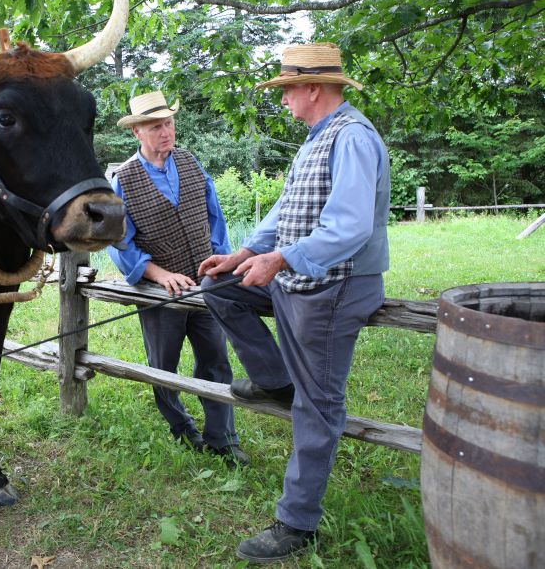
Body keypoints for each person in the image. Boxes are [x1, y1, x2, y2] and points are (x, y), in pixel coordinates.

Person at [199, 43, 390, 563]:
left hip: (335, 286)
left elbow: (349, 227)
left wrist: (281, 259)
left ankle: (296, 522)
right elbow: (286, 210)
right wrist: (244, 253)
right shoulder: (316, 137)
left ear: (312, 88)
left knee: (318, 405)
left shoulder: (352, 138)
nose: (282, 100)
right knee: (220, 286)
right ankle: (276, 379)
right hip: (298, 275)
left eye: (286, 90)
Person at [107, 90, 248, 469]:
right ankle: (183, 428)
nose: (166, 132)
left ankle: (222, 438)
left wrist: (220, 262)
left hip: (206, 286)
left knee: (216, 361)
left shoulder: (190, 163)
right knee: (162, 367)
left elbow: (215, 217)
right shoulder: (123, 179)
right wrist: (158, 274)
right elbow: (120, 243)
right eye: (156, 126)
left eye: (168, 123)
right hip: (159, 292)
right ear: (137, 132)